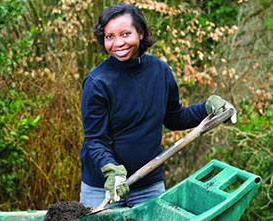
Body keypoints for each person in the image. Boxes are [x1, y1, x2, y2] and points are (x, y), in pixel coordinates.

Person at [79, 3, 236, 208]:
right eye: (110, 37)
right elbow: (95, 139)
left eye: (125, 34)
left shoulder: (160, 71)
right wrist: (112, 172)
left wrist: (207, 108)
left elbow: (175, 117)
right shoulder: (97, 82)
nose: (118, 43)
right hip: (104, 187)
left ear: (141, 33)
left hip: (148, 186)